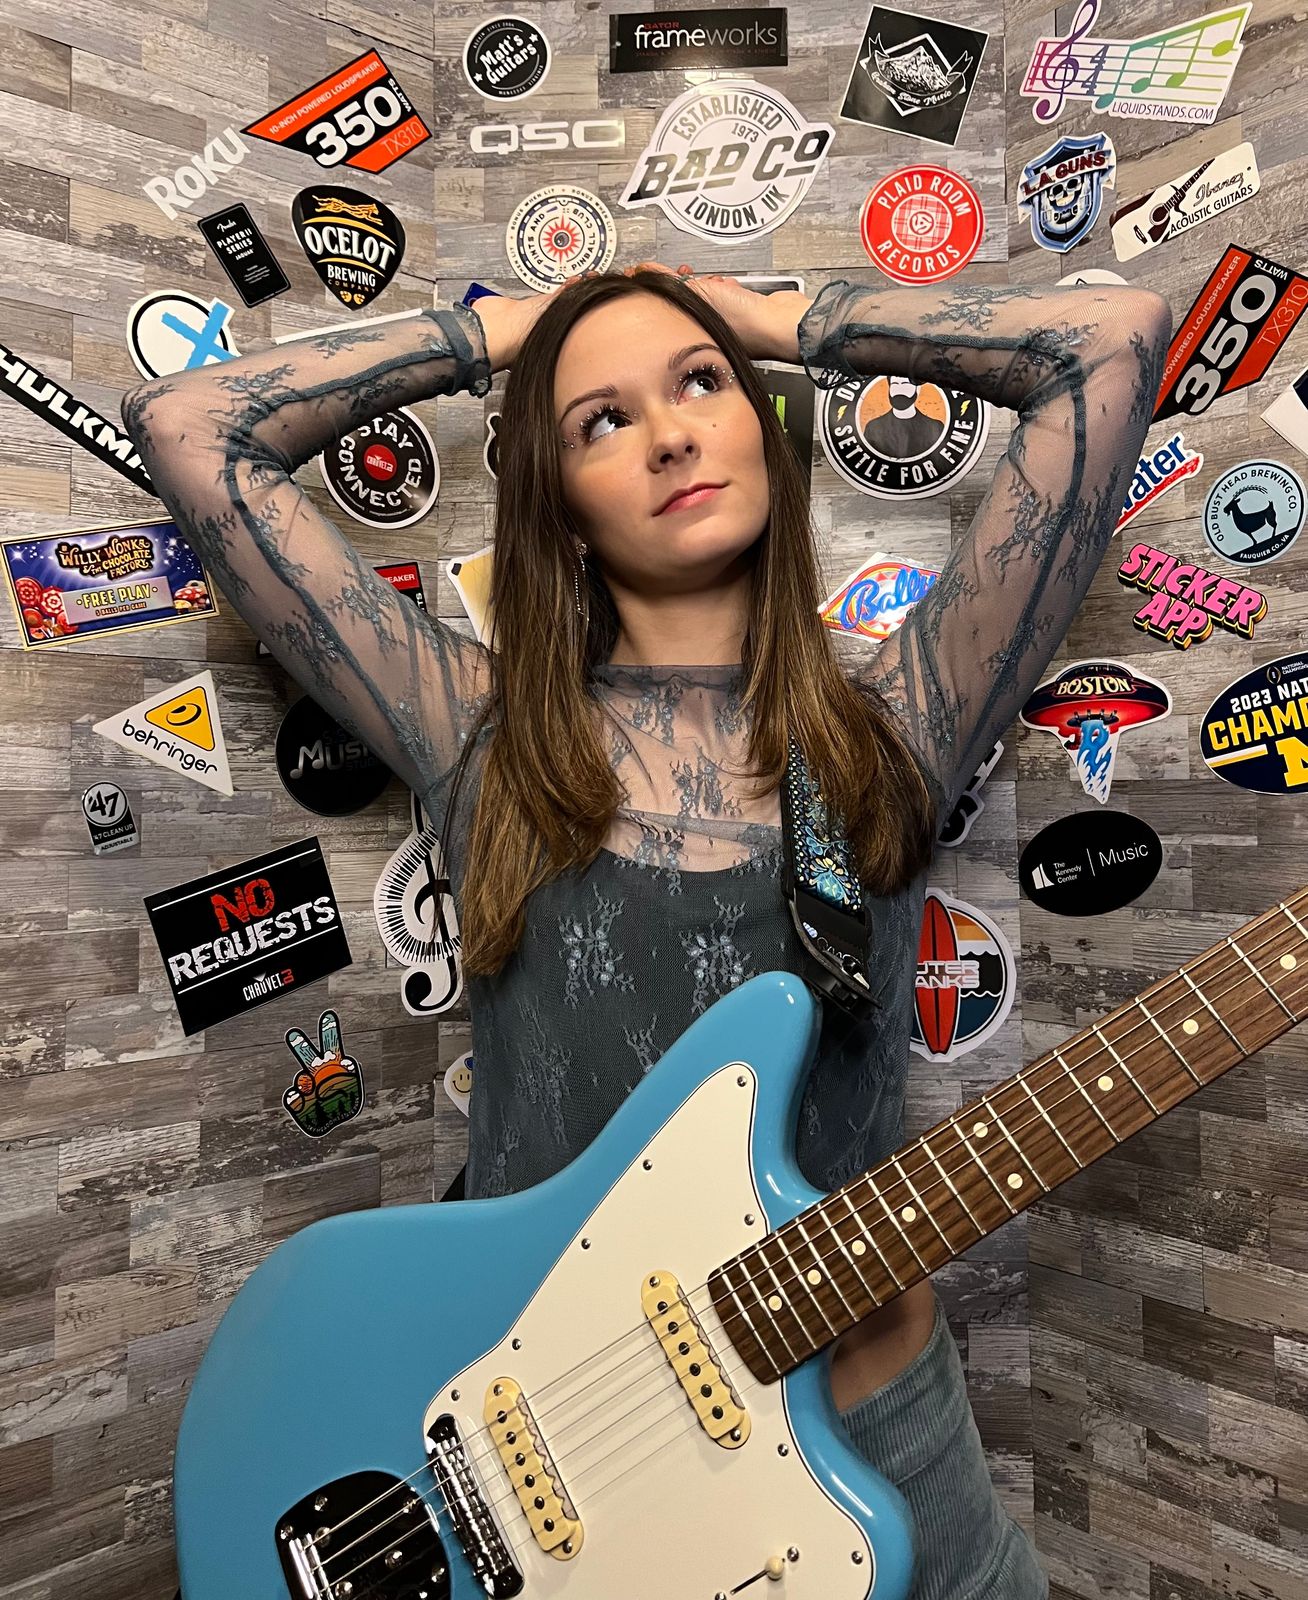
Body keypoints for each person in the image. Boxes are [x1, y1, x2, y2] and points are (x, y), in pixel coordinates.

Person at [122, 261, 1172, 1600]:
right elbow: (192, 429)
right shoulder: (480, 735)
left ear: (763, 430)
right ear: (555, 504)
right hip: (553, 1464)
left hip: (875, 1437)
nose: (672, 433)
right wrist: (508, 334)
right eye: (602, 421)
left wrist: (772, 320)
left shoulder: (900, 727)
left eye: (701, 385)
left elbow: (1110, 339)